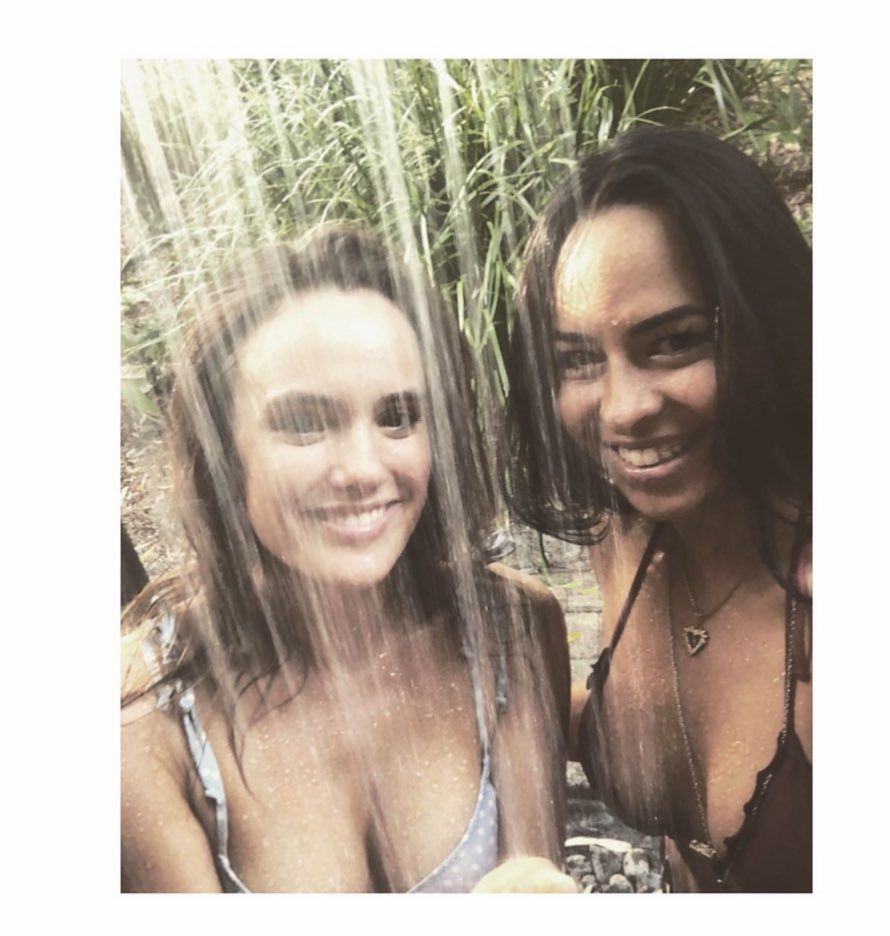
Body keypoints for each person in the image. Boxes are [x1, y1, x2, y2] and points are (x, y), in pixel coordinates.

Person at [121, 226, 574, 893]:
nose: (363, 469)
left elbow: (534, 886)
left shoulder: (510, 631)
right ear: (222, 451)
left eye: (398, 416)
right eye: (305, 422)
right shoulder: (143, 716)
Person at [504, 126, 811, 892]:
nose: (622, 409)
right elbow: (635, 731)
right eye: (579, 360)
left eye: (673, 342)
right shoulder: (626, 537)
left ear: (767, 325)